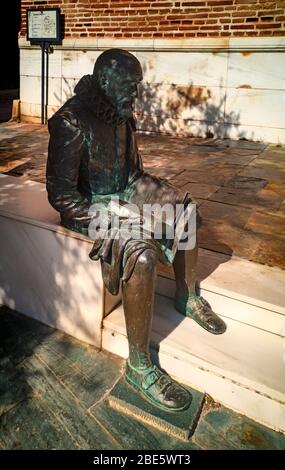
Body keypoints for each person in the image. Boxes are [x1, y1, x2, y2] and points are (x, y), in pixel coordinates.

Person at [46, 49, 226, 412]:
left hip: (125, 191)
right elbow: (61, 194)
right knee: (140, 255)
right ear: (106, 81)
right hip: (89, 206)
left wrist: (158, 196)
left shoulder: (121, 114)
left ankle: (186, 296)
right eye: (131, 85)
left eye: (138, 86)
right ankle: (139, 365)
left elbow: (132, 175)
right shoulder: (71, 121)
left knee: (186, 211)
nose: (136, 94)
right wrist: (110, 216)